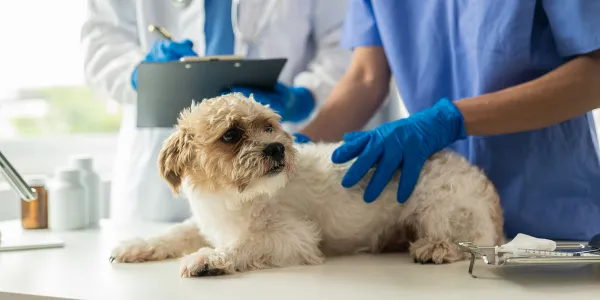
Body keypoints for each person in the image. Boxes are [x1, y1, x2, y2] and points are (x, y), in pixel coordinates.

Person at [298, 0, 600, 241]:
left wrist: (451, 119)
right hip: (437, 218)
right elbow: (366, 77)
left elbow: (594, 75)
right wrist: (296, 147)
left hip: (547, 218)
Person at [80, 0, 401, 223]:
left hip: (278, 171)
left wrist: (305, 96)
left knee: (272, 253)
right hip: (158, 191)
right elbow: (101, 41)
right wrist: (138, 73)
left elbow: (346, 49)